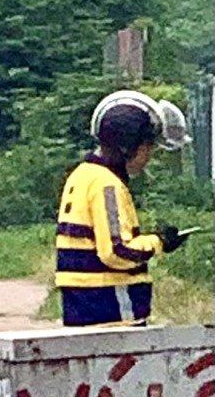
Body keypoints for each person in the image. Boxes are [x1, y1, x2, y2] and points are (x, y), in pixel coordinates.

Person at [55, 90, 193, 327]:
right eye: (148, 146)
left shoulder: (82, 174)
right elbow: (117, 251)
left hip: (82, 302)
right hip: (109, 303)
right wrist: (158, 242)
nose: (149, 155)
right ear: (128, 147)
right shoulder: (107, 184)